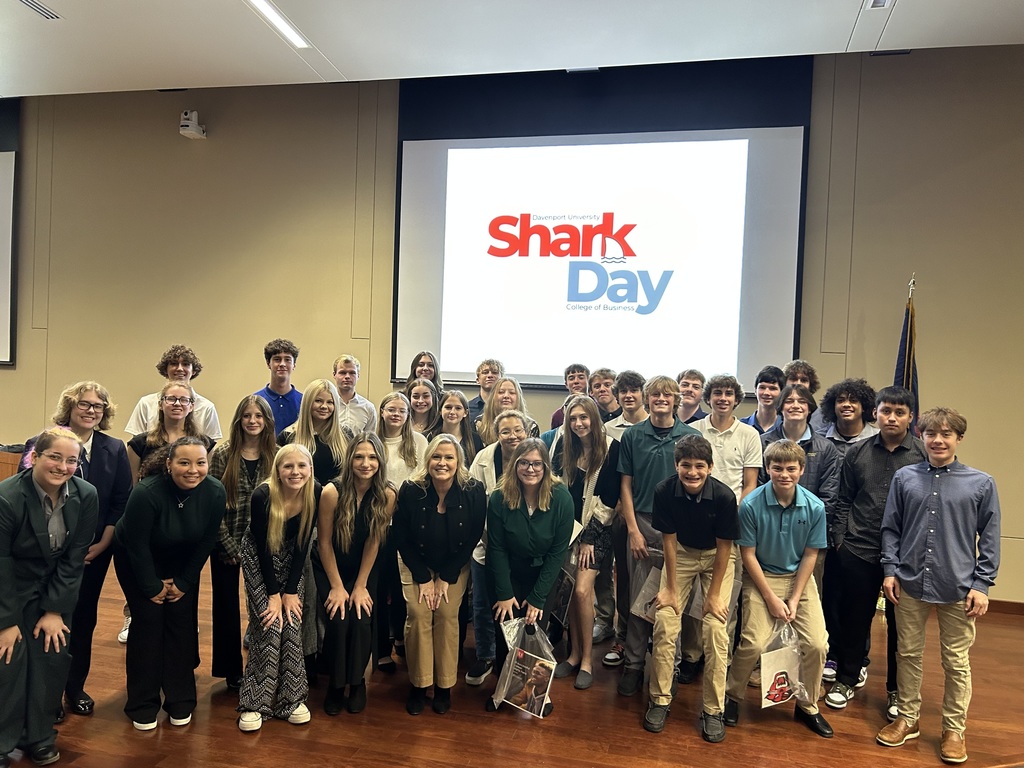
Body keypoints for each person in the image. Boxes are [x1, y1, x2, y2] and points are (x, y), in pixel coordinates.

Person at [877, 408, 1000, 765]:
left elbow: (990, 538)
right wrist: (890, 570)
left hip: (958, 586)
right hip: (910, 580)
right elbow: (891, 528)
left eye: (946, 434)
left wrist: (982, 584)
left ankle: (954, 730)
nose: (938, 440)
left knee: (956, 661)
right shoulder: (905, 478)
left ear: (959, 438)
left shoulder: (981, 483)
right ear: (922, 436)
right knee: (907, 654)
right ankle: (907, 718)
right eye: (931, 433)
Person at [28, 384, 131, 720]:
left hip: (94, 552)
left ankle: (74, 687)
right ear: (70, 407)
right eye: (84, 404)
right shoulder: (43, 442)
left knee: (83, 619)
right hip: (46, 552)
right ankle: (47, 695)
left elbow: (120, 500)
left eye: (98, 406)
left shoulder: (113, 448)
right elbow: (27, 495)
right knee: (45, 619)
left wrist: (102, 543)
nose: (91, 411)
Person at [0, 427, 98, 767]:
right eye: (54, 457)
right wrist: (6, 622)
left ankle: (39, 737)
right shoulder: (7, 497)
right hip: (10, 589)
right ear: (34, 457)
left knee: (50, 659)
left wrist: (55, 610)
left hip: (55, 588)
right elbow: (1, 562)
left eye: (71, 460)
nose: (62, 466)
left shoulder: (86, 495)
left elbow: (75, 557)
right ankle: (2, 742)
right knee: (8, 663)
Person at [113, 437, 226, 730]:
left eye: (200, 463)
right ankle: (142, 704)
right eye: (184, 462)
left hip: (182, 560)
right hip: (138, 559)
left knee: (181, 625)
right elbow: (136, 546)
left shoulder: (215, 491)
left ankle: (180, 700)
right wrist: (151, 587)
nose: (193, 470)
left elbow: (207, 541)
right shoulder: (146, 492)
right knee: (148, 624)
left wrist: (185, 582)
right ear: (168, 464)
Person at [723, 440, 832, 739]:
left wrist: (794, 598)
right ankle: (732, 696)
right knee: (753, 643)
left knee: (817, 644)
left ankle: (807, 704)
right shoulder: (750, 505)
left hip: (799, 579)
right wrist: (771, 598)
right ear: (767, 469)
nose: (784, 474)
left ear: (802, 470)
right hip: (761, 577)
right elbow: (748, 555)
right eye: (777, 468)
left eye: (791, 469)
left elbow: (811, 554)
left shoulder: (815, 507)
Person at [826, 386, 924, 719]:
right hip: (859, 548)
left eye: (899, 412)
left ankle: (896, 690)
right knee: (854, 620)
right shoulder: (858, 453)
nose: (891, 418)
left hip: (906, 556)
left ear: (911, 418)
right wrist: (841, 541)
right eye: (886, 411)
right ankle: (846, 680)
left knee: (901, 628)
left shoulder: (922, 456)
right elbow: (844, 500)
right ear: (875, 414)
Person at [644, 435, 739, 743]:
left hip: (716, 557)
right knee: (665, 622)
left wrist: (714, 595)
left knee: (715, 628)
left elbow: (725, 548)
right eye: (686, 465)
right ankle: (660, 699)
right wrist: (671, 589)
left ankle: (713, 709)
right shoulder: (664, 491)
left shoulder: (724, 497)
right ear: (676, 465)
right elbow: (669, 543)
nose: (693, 472)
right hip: (681, 553)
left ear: (710, 467)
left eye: (700, 466)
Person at [616, 375, 699, 697]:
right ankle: (634, 664)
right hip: (642, 523)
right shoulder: (633, 436)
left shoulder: (690, 436)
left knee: (672, 601)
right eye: (655, 395)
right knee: (639, 599)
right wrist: (633, 530)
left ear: (676, 400)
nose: (661, 399)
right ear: (647, 399)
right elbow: (625, 485)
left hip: (679, 529)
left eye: (667, 395)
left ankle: (669, 667)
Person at [393, 434, 486, 715]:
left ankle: (444, 686)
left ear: (459, 462)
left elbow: (472, 537)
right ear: (428, 459)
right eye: (436, 456)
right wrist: (423, 578)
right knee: (419, 613)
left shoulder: (473, 490)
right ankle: (419, 684)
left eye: (448, 457)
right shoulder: (411, 489)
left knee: (446, 614)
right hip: (415, 561)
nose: (442, 463)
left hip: (454, 564)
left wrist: (445, 577)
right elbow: (401, 537)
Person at [486, 438, 574, 714]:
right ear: (514, 465)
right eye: (523, 463)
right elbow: (496, 547)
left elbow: (558, 553)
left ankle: (538, 696)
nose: (530, 469)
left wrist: (537, 597)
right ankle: (504, 690)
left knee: (535, 630)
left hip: (543, 575)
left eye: (537, 463)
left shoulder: (561, 497)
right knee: (505, 630)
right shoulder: (499, 497)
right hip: (507, 572)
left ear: (546, 466)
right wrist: (504, 593)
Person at [237, 444, 320, 732]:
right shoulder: (263, 495)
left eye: (302, 466)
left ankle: (291, 699)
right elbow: (262, 548)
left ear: (310, 469)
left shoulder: (315, 492)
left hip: (293, 559)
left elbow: (303, 545)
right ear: (278, 470)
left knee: (292, 622)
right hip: (260, 558)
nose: (295, 472)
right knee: (269, 623)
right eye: (288, 466)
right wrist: (273, 594)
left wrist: (291, 592)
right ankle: (254, 702)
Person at [313, 434, 395, 716]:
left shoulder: (387, 494)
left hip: (364, 566)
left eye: (372, 457)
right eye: (359, 457)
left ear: (380, 461)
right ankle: (336, 685)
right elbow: (324, 543)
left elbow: (374, 541)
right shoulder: (331, 492)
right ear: (349, 460)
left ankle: (357, 681)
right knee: (339, 619)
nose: (365, 463)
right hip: (331, 565)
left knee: (361, 619)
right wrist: (337, 586)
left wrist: (361, 585)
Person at [551, 396, 620, 690]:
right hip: (567, 531)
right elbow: (556, 487)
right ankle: (574, 654)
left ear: (594, 417)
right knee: (569, 592)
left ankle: (588, 661)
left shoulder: (612, 448)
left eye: (584, 417)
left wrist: (588, 538)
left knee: (582, 591)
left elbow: (610, 499)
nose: (579, 424)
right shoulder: (565, 448)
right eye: (573, 419)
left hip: (596, 533)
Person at [208, 395, 277, 691]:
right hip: (226, 542)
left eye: (258, 416)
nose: (252, 421)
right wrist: (226, 545)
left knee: (263, 604)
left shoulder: (275, 455)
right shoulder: (223, 454)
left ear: (267, 421)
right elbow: (212, 503)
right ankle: (230, 670)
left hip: (265, 544)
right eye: (247, 415)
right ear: (239, 420)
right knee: (226, 607)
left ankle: (265, 666)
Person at [464, 410, 529, 687]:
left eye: (518, 430)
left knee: (515, 605)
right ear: (496, 433)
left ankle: (515, 660)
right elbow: (471, 499)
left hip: (521, 549)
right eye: (505, 431)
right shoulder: (483, 459)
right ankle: (486, 655)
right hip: (485, 544)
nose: (512, 436)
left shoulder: (534, 457)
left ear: (527, 431)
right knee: (482, 603)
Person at [374, 392, 427, 669]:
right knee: (380, 586)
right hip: (378, 523)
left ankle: (400, 637)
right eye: (391, 409)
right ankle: (382, 649)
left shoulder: (419, 442)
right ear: (382, 411)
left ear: (408, 415)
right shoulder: (372, 440)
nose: (396, 414)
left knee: (402, 585)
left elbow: (423, 480)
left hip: (408, 525)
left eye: (402, 410)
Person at [601, 369, 647, 665]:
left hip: (654, 517)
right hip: (621, 515)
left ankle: (650, 639)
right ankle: (624, 637)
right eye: (623, 391)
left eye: (634, 390)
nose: (629, 396)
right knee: (626, 580)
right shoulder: (608, 430)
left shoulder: (657, 424)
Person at [124, 344, 222, 440]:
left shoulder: (207, 407)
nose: (179, 368)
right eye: (174, 364)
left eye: (186, 364)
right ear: (165, 369)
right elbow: (137, 444)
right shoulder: (146, 403)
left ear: (193, 371)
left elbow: (209, 446)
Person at [127, 381, 213, 482]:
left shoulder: (206, 444)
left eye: (184, 400)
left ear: (191, 407)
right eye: (171, 399)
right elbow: (132, 485)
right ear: (160, 404)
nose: (177, 404)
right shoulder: (139, 444)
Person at [277, 379, 347, 486]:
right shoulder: (287, 436)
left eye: (330, 402)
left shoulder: (346, 435)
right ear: (308, 402)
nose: (324, 406)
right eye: (318, 401)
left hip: (335, 495)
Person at [255, 339, 302, 436]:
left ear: (294, 365)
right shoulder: (256, 401)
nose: (282, 364)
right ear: (268, 363)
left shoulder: (304, 401)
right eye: (277, 359)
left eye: (287, 360)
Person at [818, 378, 879, 450]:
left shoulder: (879, 438)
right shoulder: (818, 439)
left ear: (864, 406)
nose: (846, 404)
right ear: (833, 406)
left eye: (853, 400)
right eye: (840, 401)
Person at [476, 377, 538, 445]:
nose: (506, 396)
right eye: (501, 392)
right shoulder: (479, 423)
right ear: (493, 397)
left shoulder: (531, 425)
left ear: (518, 398)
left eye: (512, 393)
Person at [430, 389, 483, 465]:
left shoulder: (475, 440)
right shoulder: (429, 437)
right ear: (440, 411)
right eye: (448, 407)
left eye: (458, 408)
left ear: (465, 413)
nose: (452, 412)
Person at [332, 354, 377, 436]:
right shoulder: (327, 404)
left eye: (352, 373)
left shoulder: (368, 408)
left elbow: (370, 439)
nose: (347, 376)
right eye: (342, 373)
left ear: (358, 376)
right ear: (334, 375)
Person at [740, 365, 785, 435]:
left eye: (772, 388)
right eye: (762, 387)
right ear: (755, 390)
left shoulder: (786, 428)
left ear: (782, 392)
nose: (766, 393)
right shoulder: (742, 426)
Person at [550, 363, 590, 429]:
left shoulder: (598, 408)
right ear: (566, 384)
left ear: (588, 381)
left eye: (581, 377)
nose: (576, 381)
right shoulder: (558, 416)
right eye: (571, 378)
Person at [467, 359, 504, 423]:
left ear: (502, 379)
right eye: (485, 372)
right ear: (477, 380)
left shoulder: (507, 405)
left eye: (495, 372)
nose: (490, 375)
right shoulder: (468, 407)